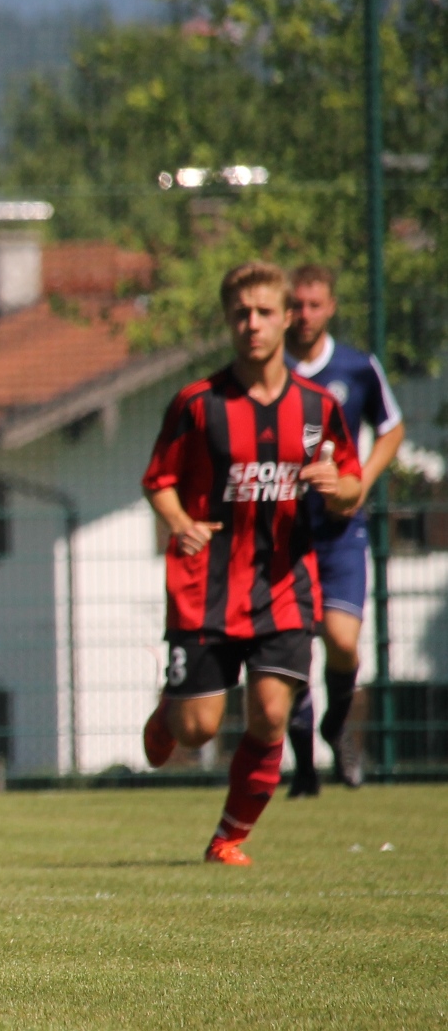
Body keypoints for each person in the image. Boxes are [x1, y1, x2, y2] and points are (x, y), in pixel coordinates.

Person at [139, 262, 361, 866]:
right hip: (204, 590)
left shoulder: (318, 408)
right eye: (242, 314)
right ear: (228, 321)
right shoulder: (197, 404)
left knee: (268, 713)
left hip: (284, 588)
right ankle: (172, 708)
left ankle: (228, 838)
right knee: (196, 732)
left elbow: (352, 487)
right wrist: (180, 522)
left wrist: (335, 484)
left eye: (265, 312)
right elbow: (158, 480)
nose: (253, 324)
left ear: (288, 318)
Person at [282, 264, 404, 795]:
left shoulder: (356, 367)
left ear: (330, 307)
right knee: (289, 651)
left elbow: (391, 428)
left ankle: (336, 725)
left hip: (340, 531)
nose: (304, 314)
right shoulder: (268, 369)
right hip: (283, 533)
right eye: (296, 304)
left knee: (342, 641)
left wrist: (361, 482)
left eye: (314, 304)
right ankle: (304, 764)